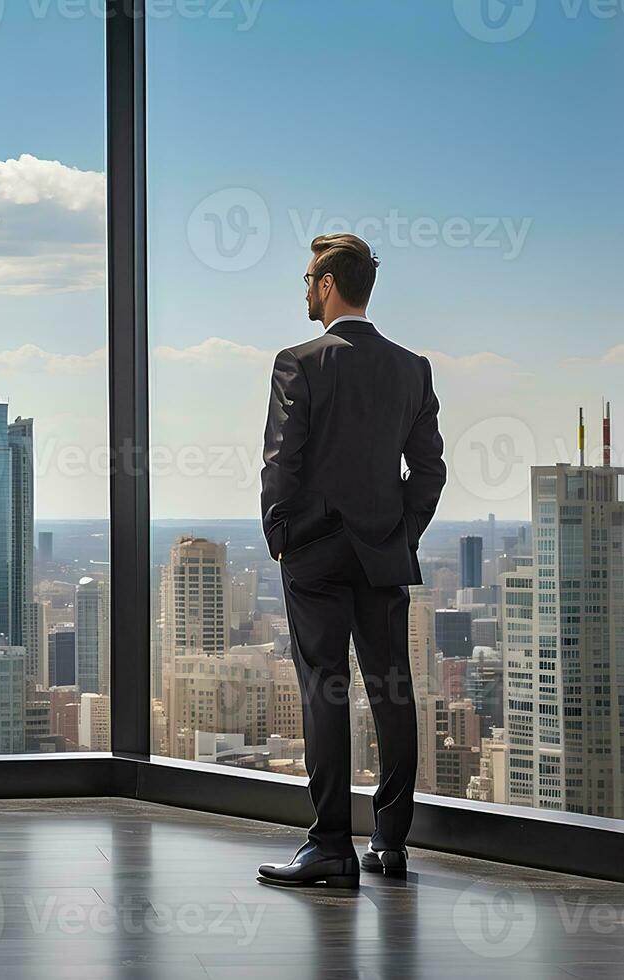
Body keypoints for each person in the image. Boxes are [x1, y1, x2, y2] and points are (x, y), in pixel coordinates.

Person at [255, 233, 447, 889]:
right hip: (381, 552)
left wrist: (281, 534)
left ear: (329, 285)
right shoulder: (410, 366)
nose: (304, 289)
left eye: (309, 278)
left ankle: (330, 846)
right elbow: (428, 471)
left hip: (313, 553)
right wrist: (401, 533)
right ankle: (389, 845)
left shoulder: (298, 362)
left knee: (323, 689)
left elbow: (281, 461)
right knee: (392, 692)